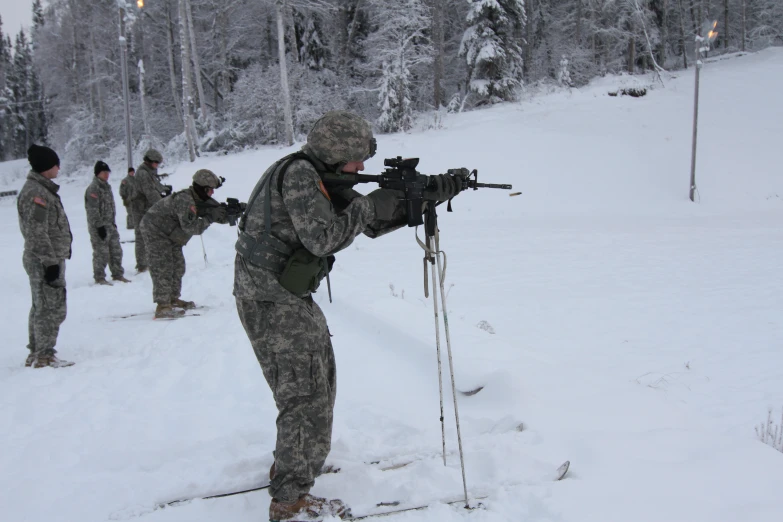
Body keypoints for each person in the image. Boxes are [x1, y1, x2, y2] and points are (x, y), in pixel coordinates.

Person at [232, 110, 463, 521]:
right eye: (357, 160)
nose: (361, 169)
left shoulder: (316, 173)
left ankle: (292, 465)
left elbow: (368, 223)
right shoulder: (302, 176)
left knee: (317, 383)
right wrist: (371, 206)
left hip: (282, 294)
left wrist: (428, 196)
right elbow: (324, 238)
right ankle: (290, 502)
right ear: (337, 153)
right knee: (305, 397)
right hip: (272, 299)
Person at [139, 169, 229, 319]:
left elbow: (214, 214)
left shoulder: (198, 199)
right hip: (155, 230)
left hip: (170, 233)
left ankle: (172, 299)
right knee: (163, 266)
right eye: (210, 189)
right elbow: (192, 228)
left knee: (178, 265)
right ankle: (162, 306)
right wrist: (210, 219)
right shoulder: (185, 200)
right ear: (202, 188)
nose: (212, 193)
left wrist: (231, 213)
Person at [17, 144, 75, 369]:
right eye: (55, 164)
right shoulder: (37, 193)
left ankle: (37, 351)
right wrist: (50, 263)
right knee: (50, 307)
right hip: (44, 258)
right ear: (45, 167)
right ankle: (44, 355)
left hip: (45, 256)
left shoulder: (42, 189)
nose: (58, 168)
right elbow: (36, 231)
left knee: (42, 304)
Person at [85, 161, 131, 285]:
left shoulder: (107, 187)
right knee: (101, 252)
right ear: (97, 173)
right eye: (103, 172)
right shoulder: (93, 189)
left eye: (107, 172)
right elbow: (92, 210)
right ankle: (99, 277)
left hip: (110, 224)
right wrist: (99, 226)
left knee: (116, 250)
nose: (106, 175)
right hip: (99, 227)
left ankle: (117, 274)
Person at [133, 149, 171, 273]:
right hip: (141, 208)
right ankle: (142, 264)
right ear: (150, 161)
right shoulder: (143, 173)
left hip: (148, 207)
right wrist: (163, 204)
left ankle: (149, 260)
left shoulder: (150, 172)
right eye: (156, 163)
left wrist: (165, 189)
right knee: (141, 235)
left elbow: (156, 186)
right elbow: (150, 192)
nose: (157, 165)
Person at [119, 167, 137, 231]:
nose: (132, 173)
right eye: (131, 172)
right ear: (128, 172)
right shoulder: (125, 180)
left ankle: (134, 224)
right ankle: (130, 226)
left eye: (133, 172)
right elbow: (121, 190)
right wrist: (124, 198)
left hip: (135, 199)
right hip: (128, 200)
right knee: (130, 212)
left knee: (135, 212)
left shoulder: (135, 179)